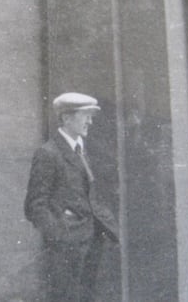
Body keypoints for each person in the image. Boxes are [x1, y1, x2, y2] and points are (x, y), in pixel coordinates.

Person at [24, 92, 119, 302]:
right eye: (85, 115)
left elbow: (89, 194)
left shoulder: (81, 150)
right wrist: (60, 236)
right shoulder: (48, 153)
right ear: (67, 118)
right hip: (67, 248)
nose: (90, 121)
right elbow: (34, 205)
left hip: (92, 240)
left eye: (91, 116)